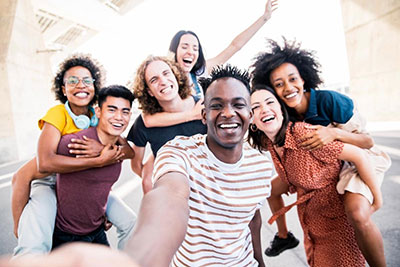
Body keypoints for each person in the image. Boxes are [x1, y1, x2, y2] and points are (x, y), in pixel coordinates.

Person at [250, 39, 390, 266]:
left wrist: (334, 134)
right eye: (279, 84)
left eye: (293, 79)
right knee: (271, 189)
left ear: (304, 78)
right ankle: (283, 236)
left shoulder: (329, 100)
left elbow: (367, 142)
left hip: (358, 154)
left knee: (357, 213)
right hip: (331, 158)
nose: (288, 87)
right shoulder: (285, 113)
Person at [126, 65, 274, 266]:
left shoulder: (261, 166)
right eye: (217, 106)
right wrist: (148, 247)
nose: (228, 113)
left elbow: (252, 218)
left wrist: (260, 262)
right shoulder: (178, 152)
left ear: (251, 114)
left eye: (238, 105)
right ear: (204, 115)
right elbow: (170, 195)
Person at [11, 54, 136, 256]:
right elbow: (44, 164)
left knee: (130, 222)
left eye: (87, 80)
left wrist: (104, 153)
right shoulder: (58, 114)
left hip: (80, 182)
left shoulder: (96, 118)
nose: (81, 85)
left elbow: (127, 151)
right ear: (63, 89)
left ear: (95, 87)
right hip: (49, 181)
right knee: (35, 241)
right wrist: (97, 160)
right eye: (72, 80)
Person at [141, 0, 278, 128]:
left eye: (195, 48)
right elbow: (148, 119)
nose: (190, 52)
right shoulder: (164, 81)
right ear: (174, 51)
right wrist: (191, 115)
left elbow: (235, 46)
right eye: (184, 47)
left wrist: (264, 18)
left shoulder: (201, 72)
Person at [52, 85, 134, 249]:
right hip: (68, 236)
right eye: (112, 110)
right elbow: (34, 171)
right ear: (98, 112)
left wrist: (101, 210)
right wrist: (22, 225)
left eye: (125, 112)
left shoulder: (119, 149)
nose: (119, 117)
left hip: (96, 231)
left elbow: (129, 154)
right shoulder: (75, 143)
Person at [127, 56, 207, 194]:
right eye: (154, 80)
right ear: (149, 92)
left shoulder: (202, 107)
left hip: (210, 191)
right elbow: (136, 165)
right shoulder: (144, 123)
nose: (163, 81)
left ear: (176, 76)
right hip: (175, 199)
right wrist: (156, 178)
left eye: (166, 73)